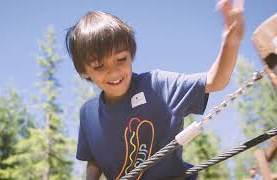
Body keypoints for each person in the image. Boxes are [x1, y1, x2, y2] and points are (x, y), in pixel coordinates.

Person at [65, 0, 244, 179]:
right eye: (99, 66)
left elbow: (215, 81)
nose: (114, 72)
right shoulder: (88, 114)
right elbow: (94, 159)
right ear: (84, 71)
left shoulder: (158, 86)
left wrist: (231, 42)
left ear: (131, 55)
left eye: (121, 59)